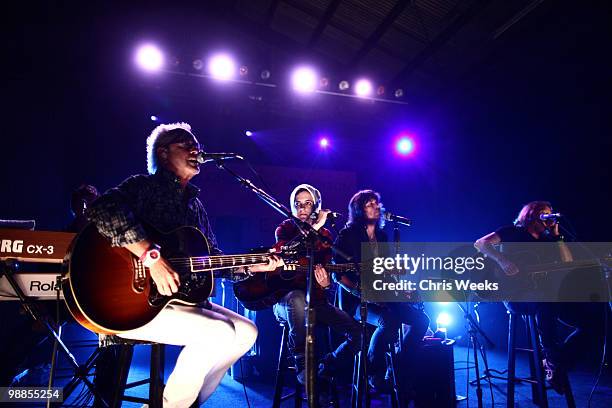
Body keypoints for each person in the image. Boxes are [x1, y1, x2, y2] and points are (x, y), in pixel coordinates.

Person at [87, 122, 280, 407]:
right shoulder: (144, 187)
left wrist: (251, 267)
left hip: (180, 301)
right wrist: (150, 257)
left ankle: (182, 404)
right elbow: (102, 209)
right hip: (135, 303)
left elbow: (212, 258)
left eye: (197, 146)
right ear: (163, 154)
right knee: (219, 332)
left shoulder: (195, 205)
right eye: (185, 144)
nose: (196, 150)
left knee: (247, 332)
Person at [474, 200, 603, 393]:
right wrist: (503, 261)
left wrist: (558, 236)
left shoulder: (548, 240)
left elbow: (567, 262)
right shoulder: (511, 232)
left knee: (593, 322)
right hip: (515, 295)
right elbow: (481, 243)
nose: (549, 216)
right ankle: (552, 357)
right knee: (546, 300)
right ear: (531, 214)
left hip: (546, 297)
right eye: (545, 213)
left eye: (551, 213)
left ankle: (557, 364)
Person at [333, 189, 430, 391]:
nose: (376, 207)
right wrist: (363, 293)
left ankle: (397, 368)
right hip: (356, 300)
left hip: (382, 296)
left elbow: (385, 272)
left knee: (422, 320)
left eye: (377, 203)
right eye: (370, 204)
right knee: (389, 320)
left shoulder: (383, 236)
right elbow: (338, 275)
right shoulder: (347, 235)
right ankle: (373, 372)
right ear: (359, 210)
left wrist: (401, 287)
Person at [272, 184, 361, 384]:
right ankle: (302, 365)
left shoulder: (326, 237)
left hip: (316, 301)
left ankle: (326, 366)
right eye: (298, 204)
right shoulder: (284, 229)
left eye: (307, 203)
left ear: (317, 207)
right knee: (297, 298)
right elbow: (286, 251)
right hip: (285, 301)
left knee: (358, 333)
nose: (302, 208)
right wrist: (316, 226)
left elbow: (327, 273)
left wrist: (326, 283)